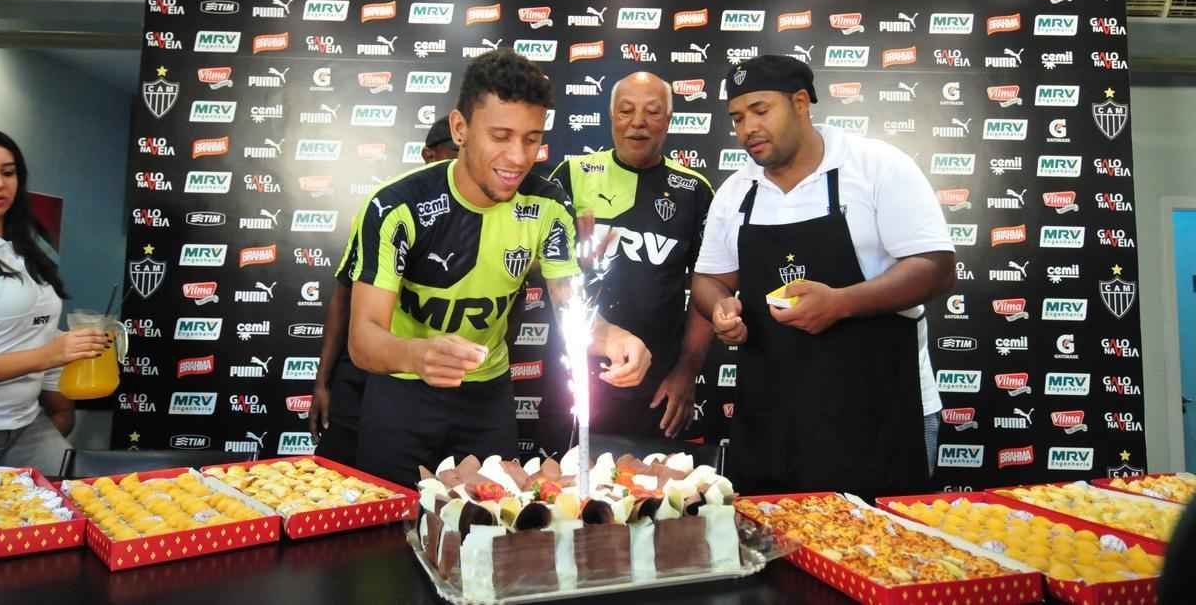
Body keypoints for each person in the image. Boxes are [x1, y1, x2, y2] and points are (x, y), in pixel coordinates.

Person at [345, 49, 651, 486]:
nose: (518, 157)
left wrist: (611, 337)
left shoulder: (548, 205)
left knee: (489, 539)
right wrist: (417, 354)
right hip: (402, 394)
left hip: (486, 400)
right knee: (389, 539)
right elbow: (363, 339)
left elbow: (571, 308)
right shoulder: (397, 206)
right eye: (501, 136)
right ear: (460, 128)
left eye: (531, 138)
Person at [690, 55, 955, 498]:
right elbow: (708, 279)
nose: (747, 128)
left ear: (800, 104)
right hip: (771, 424)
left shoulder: (876, 167)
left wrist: (840, 303)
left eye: (760, 110)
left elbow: (936, 269)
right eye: (737, 118)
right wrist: (720, 307)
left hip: (878, 418)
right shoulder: (737, 191)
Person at [550, 72, 714, 439]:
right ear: (611, 117)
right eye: (626, 111)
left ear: (668, 120)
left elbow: (708, 290)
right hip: (576, 371)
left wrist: (686, 373)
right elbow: (539, 270)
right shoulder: (572, 175)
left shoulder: (695, 191)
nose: (638, 122)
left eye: (652, 112)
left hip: (657, 384)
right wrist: (578, 259)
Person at [310, 118, 459, 466]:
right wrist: (323, 382)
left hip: (433, 377)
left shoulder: (482, 220)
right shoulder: (392, 207)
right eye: (452, 154)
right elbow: (343, 297)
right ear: (428, 154)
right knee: (342, 476)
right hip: (364, 371)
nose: (459, 165)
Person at [0, 131, 109, 473]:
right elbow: (46, 349)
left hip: (28, 427)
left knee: (72, 511)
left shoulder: (27, 246)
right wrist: (50, 355)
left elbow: (38, 324)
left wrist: (60, 400)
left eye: (8, 172)